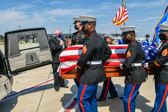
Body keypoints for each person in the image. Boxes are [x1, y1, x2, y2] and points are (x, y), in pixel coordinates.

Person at [76, 16, 111, 112]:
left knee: (82, 99)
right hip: (98, 71)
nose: (82, 27)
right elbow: (108, 52)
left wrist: (78, 68)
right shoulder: (99, 38)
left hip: (90, 74)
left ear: (91, 25)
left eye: (84, 25)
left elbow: (82, 59)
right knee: (92, 99)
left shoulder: (90, 41)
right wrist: (99, 62)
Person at [120, 26, 147, 112]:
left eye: (126, 36)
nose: (124, 38)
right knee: (131, 97)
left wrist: (122, 66)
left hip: (134, 74)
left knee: (127, 98)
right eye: (123, 36)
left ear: (132, 36)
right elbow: (143, 56)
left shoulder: (132, 46)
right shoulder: (137, 44)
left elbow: (127, 64)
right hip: (137, 72)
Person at [149, 24, 168, 112]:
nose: (160, 34)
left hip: (165, 75)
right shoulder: (164, 44)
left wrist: (152, 63)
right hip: (160, 74)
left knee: (159, 101)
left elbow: (160, 61)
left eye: (162, 32)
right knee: (161, 99)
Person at [97, 34, 118, 101]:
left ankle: (103, 96)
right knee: (108, 81)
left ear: (111, 39)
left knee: (107, 81)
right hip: (105, 65)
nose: (106, 40)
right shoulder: (104, 45)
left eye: (107, 38)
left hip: (110, 66)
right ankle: (114, 94)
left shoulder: (114, 47)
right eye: (105, 38)